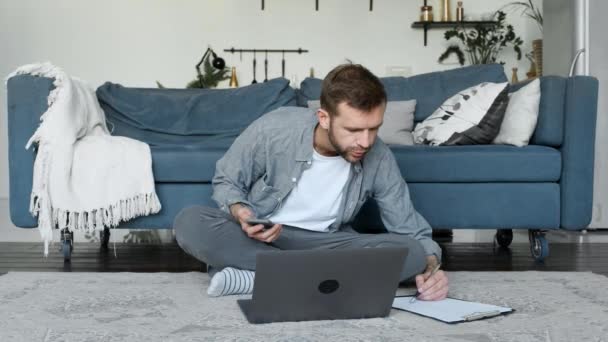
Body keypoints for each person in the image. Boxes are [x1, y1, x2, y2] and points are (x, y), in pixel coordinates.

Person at [173, 64, 449, 300]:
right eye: (353, 130)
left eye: (373, 128)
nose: (365, 142)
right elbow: (227, 180)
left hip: (328, 244)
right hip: (266, 239)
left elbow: (411, 231)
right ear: (324, 118)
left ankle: (256, 277)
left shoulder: (379, 156)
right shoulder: (275, 128)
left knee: (412, 254)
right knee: (189, 222)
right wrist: (242, 213)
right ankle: (318, 279)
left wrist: (431, 267)